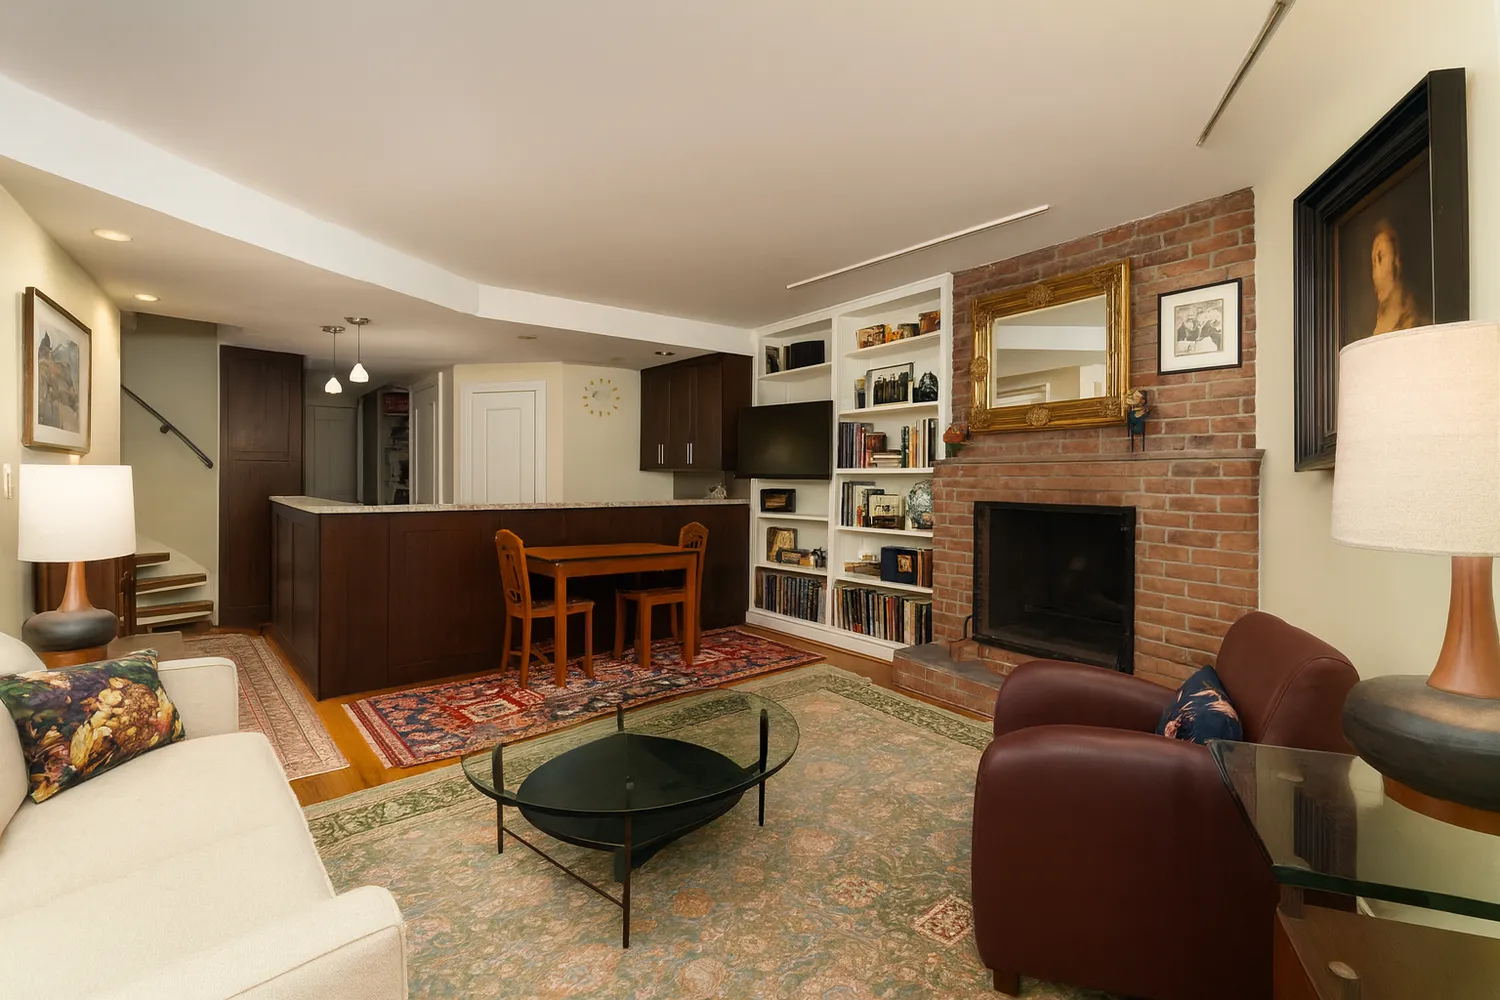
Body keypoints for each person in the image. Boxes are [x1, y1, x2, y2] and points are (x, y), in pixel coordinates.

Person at [1369, 219, 1429, 337]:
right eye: (1373, 262)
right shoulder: (1379, 322)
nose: (1375, 271)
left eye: (1380, 257)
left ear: (1398, 262)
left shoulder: (1417, 323)